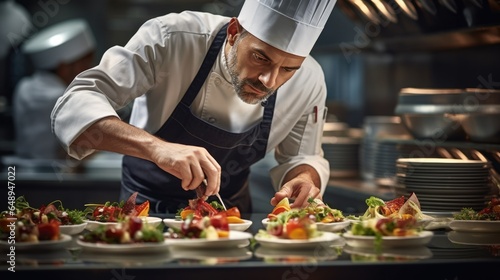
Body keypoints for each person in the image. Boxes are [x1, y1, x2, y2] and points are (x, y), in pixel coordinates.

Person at [51, 0, 337, 214]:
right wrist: (157, 148)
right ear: (235, 32)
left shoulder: (309, 79)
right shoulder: (173, 37)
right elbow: (74, 104)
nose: (269, 80)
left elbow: (302, 156)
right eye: (260, 58)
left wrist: (303, 178)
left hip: (229, 221)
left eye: (288, 69)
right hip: (142, 214)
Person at [13, 19, 96, 160]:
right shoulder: (63, 98)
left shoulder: (24, 87)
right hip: (52, 175)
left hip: (21, 169)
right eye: (85, 64)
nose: (91, 69)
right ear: (64, 68)